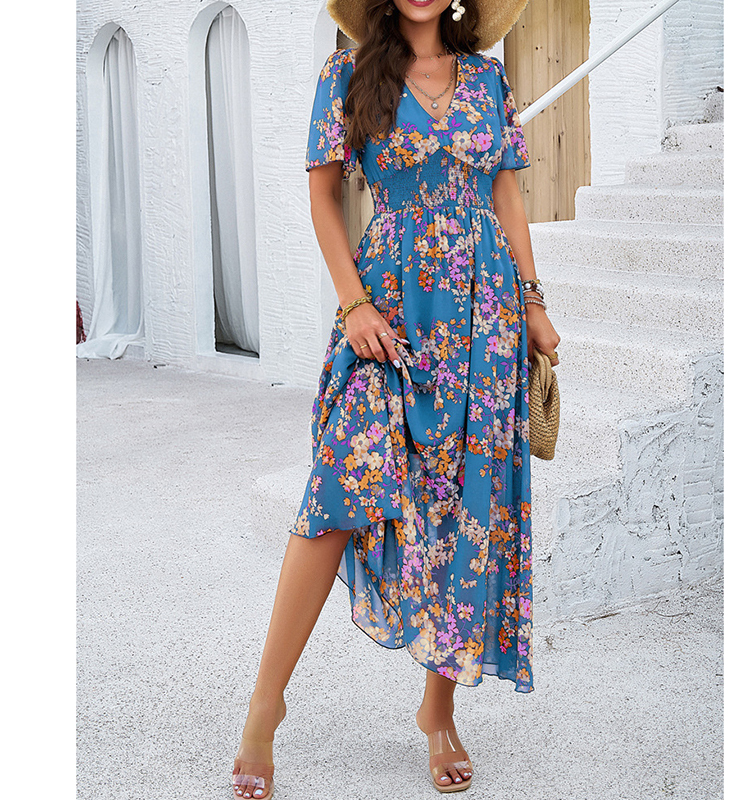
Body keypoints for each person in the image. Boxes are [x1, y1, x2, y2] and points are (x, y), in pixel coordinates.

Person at [232, 1, 560, 797]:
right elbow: (323, 196)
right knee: (335, 490)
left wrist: (533, 301)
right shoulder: (347, 75)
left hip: (483, 317)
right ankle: (265, 705)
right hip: (387, 313)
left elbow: (506, 196)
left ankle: (438, 711)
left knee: (467, 511)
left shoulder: (486, 79)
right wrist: (353, 305)